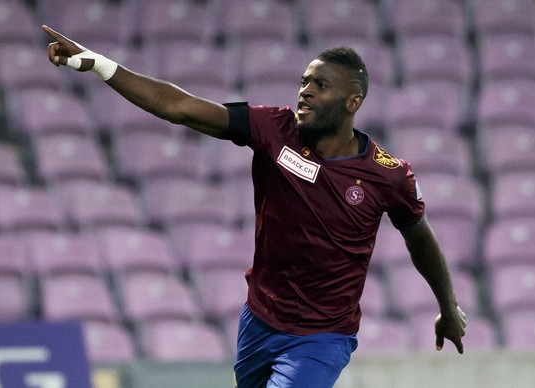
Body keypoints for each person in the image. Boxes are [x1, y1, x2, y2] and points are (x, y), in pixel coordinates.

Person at [42, 25, 466, 388]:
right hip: (259, 320)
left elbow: (420, 240)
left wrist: (447, 307)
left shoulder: (387, 175)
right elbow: (179, 107)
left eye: (320, 85)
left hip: (321, 336)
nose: (306, 91)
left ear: (352, 102)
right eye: (304, 81)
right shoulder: (273, 129)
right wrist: (97, 63)